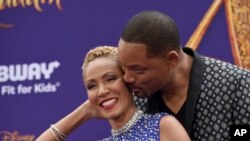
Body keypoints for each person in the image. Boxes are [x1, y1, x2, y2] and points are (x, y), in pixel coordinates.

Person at [117, 10, 250, 141]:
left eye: (138, 70)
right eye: (123, 67)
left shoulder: (236, 84)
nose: (127, 78)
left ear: (172, 60)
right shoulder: (134, 98)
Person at [36, 46, 190, 141]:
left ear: (127, 80)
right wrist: (85, 112)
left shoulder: (162, 126)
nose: (102, 91)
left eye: (110, 79)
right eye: (92, 86)